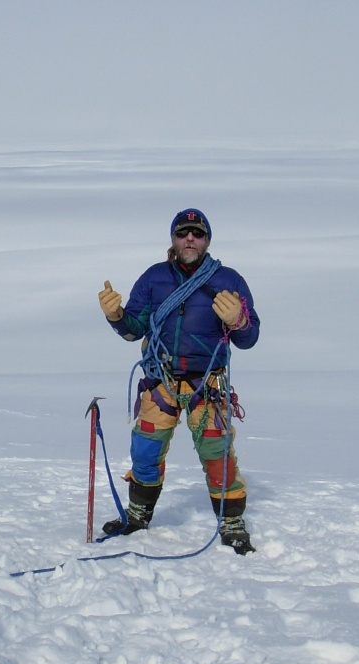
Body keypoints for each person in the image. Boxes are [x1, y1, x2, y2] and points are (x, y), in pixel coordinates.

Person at [97, 208, 260, 554]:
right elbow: (135, 329)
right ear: (173, 238)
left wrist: (240, 321)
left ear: (207, 240)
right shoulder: (154, 278)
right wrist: (117, 317)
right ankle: (139, 513)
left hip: (207, 384)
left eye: (197, 234)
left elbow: (250, 338)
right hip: (161, 381)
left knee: (217, 452)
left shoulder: (228, 280)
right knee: (145, 449)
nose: (190, 238)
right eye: (183, 232)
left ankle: (231, 522)